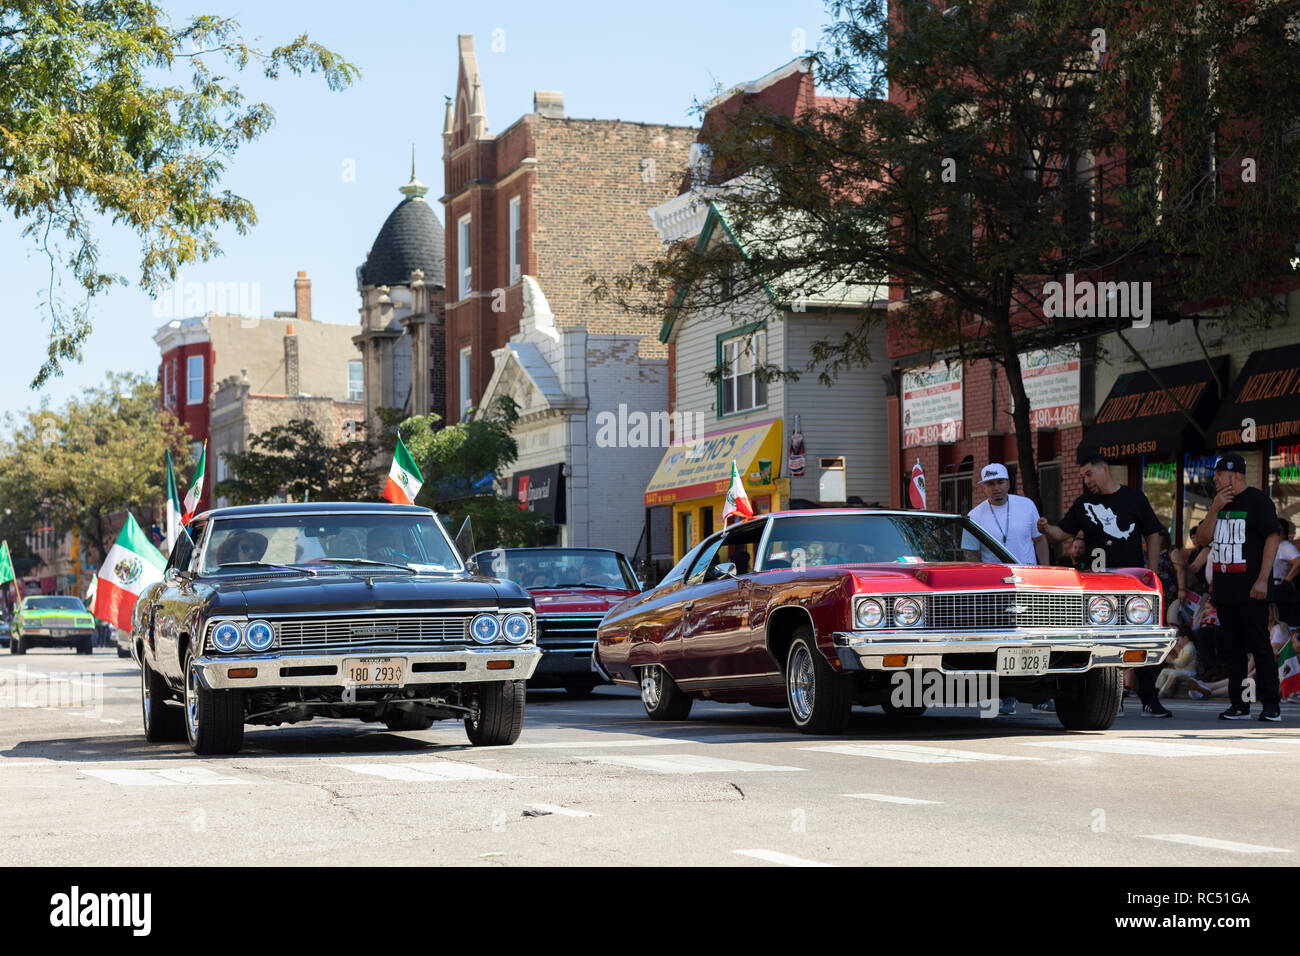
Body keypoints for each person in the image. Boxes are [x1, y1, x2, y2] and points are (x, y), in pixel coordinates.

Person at [1038, 450, 1170, 717]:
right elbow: (1062, 533)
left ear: (1104, 469)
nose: (1086, 481)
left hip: (1131, 580)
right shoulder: (1084, 503)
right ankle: (1113, 698)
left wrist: (1151, 572)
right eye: (1083, 476)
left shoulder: (1134, 498)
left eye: (1089, 474)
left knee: (1142, 636)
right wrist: (1045, 527)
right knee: (1105, 640)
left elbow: (1153, 534)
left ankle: (1149, 698)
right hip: (1096, 582)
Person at [1193, 452, 1282, 722]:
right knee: (1233, 650)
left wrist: (1263, 579)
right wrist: (1213, 509)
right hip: (1224, 590)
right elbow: (1202, 539)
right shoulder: (1217, 504)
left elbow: (1272, 538)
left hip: (1251, 588)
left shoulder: (1258, 501)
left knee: (1259, 645)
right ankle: (1240, 705)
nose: (1215, 479)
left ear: (1235, 475)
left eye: (1219, 474)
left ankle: (1271, 705)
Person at [961, 462, 1048, 716]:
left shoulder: (1026, 505)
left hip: (1030, 580)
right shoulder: (975, 515)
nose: (996, 488)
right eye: (990, 484)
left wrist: (1046, 570)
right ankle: (1007, 694)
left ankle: (1041, 694)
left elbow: (1038, 539)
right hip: (996, 585)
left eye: (1000, 482)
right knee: (1003, 641)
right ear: (983, 488)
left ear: (1008, 483)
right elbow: (970, 554)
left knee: (1038, 639)